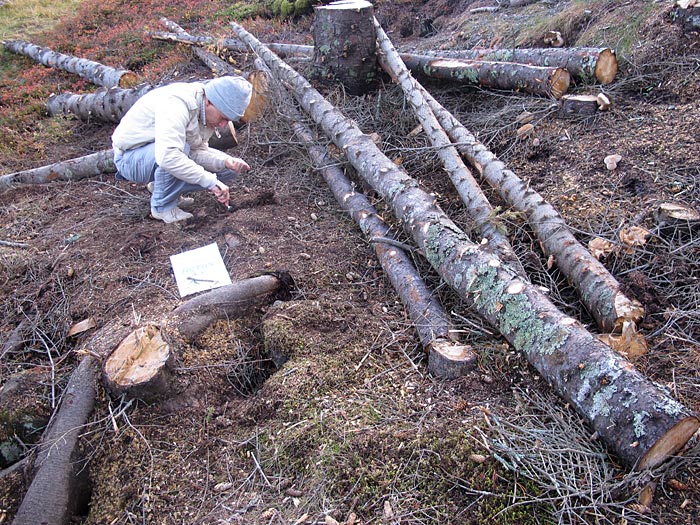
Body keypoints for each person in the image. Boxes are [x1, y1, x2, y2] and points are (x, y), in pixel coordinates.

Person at [112, 76, 253, 223]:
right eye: (223, 117)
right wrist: (211, 182)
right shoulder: (177, 104)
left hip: (158, 154)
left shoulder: (205, 110)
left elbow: (196, 151)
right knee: (178, 152)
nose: (224, 125)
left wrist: (224, 161)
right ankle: (162, 208)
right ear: (209, 101)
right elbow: (169, 156)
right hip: (130, 159)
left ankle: (165, 189)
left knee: (228, 168)